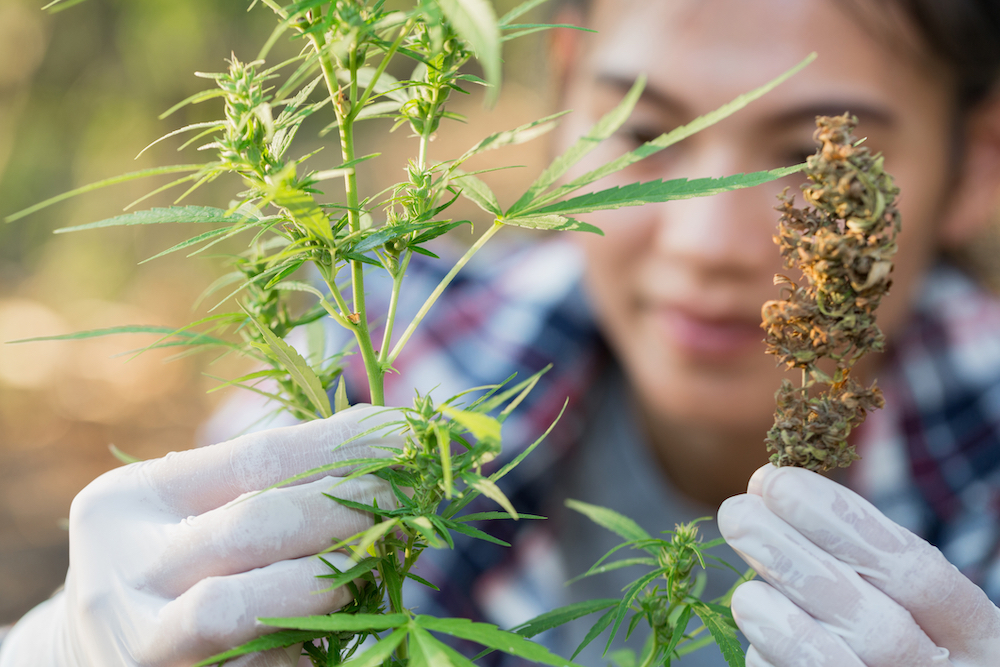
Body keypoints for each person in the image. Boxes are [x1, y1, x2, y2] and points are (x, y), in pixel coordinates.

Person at [3, 0, 1000, 665]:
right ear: (564, 93)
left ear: (979, 159)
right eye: (644, 134)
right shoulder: (374, 366)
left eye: (813, 161)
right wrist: (61, 648)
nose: (707, 241)